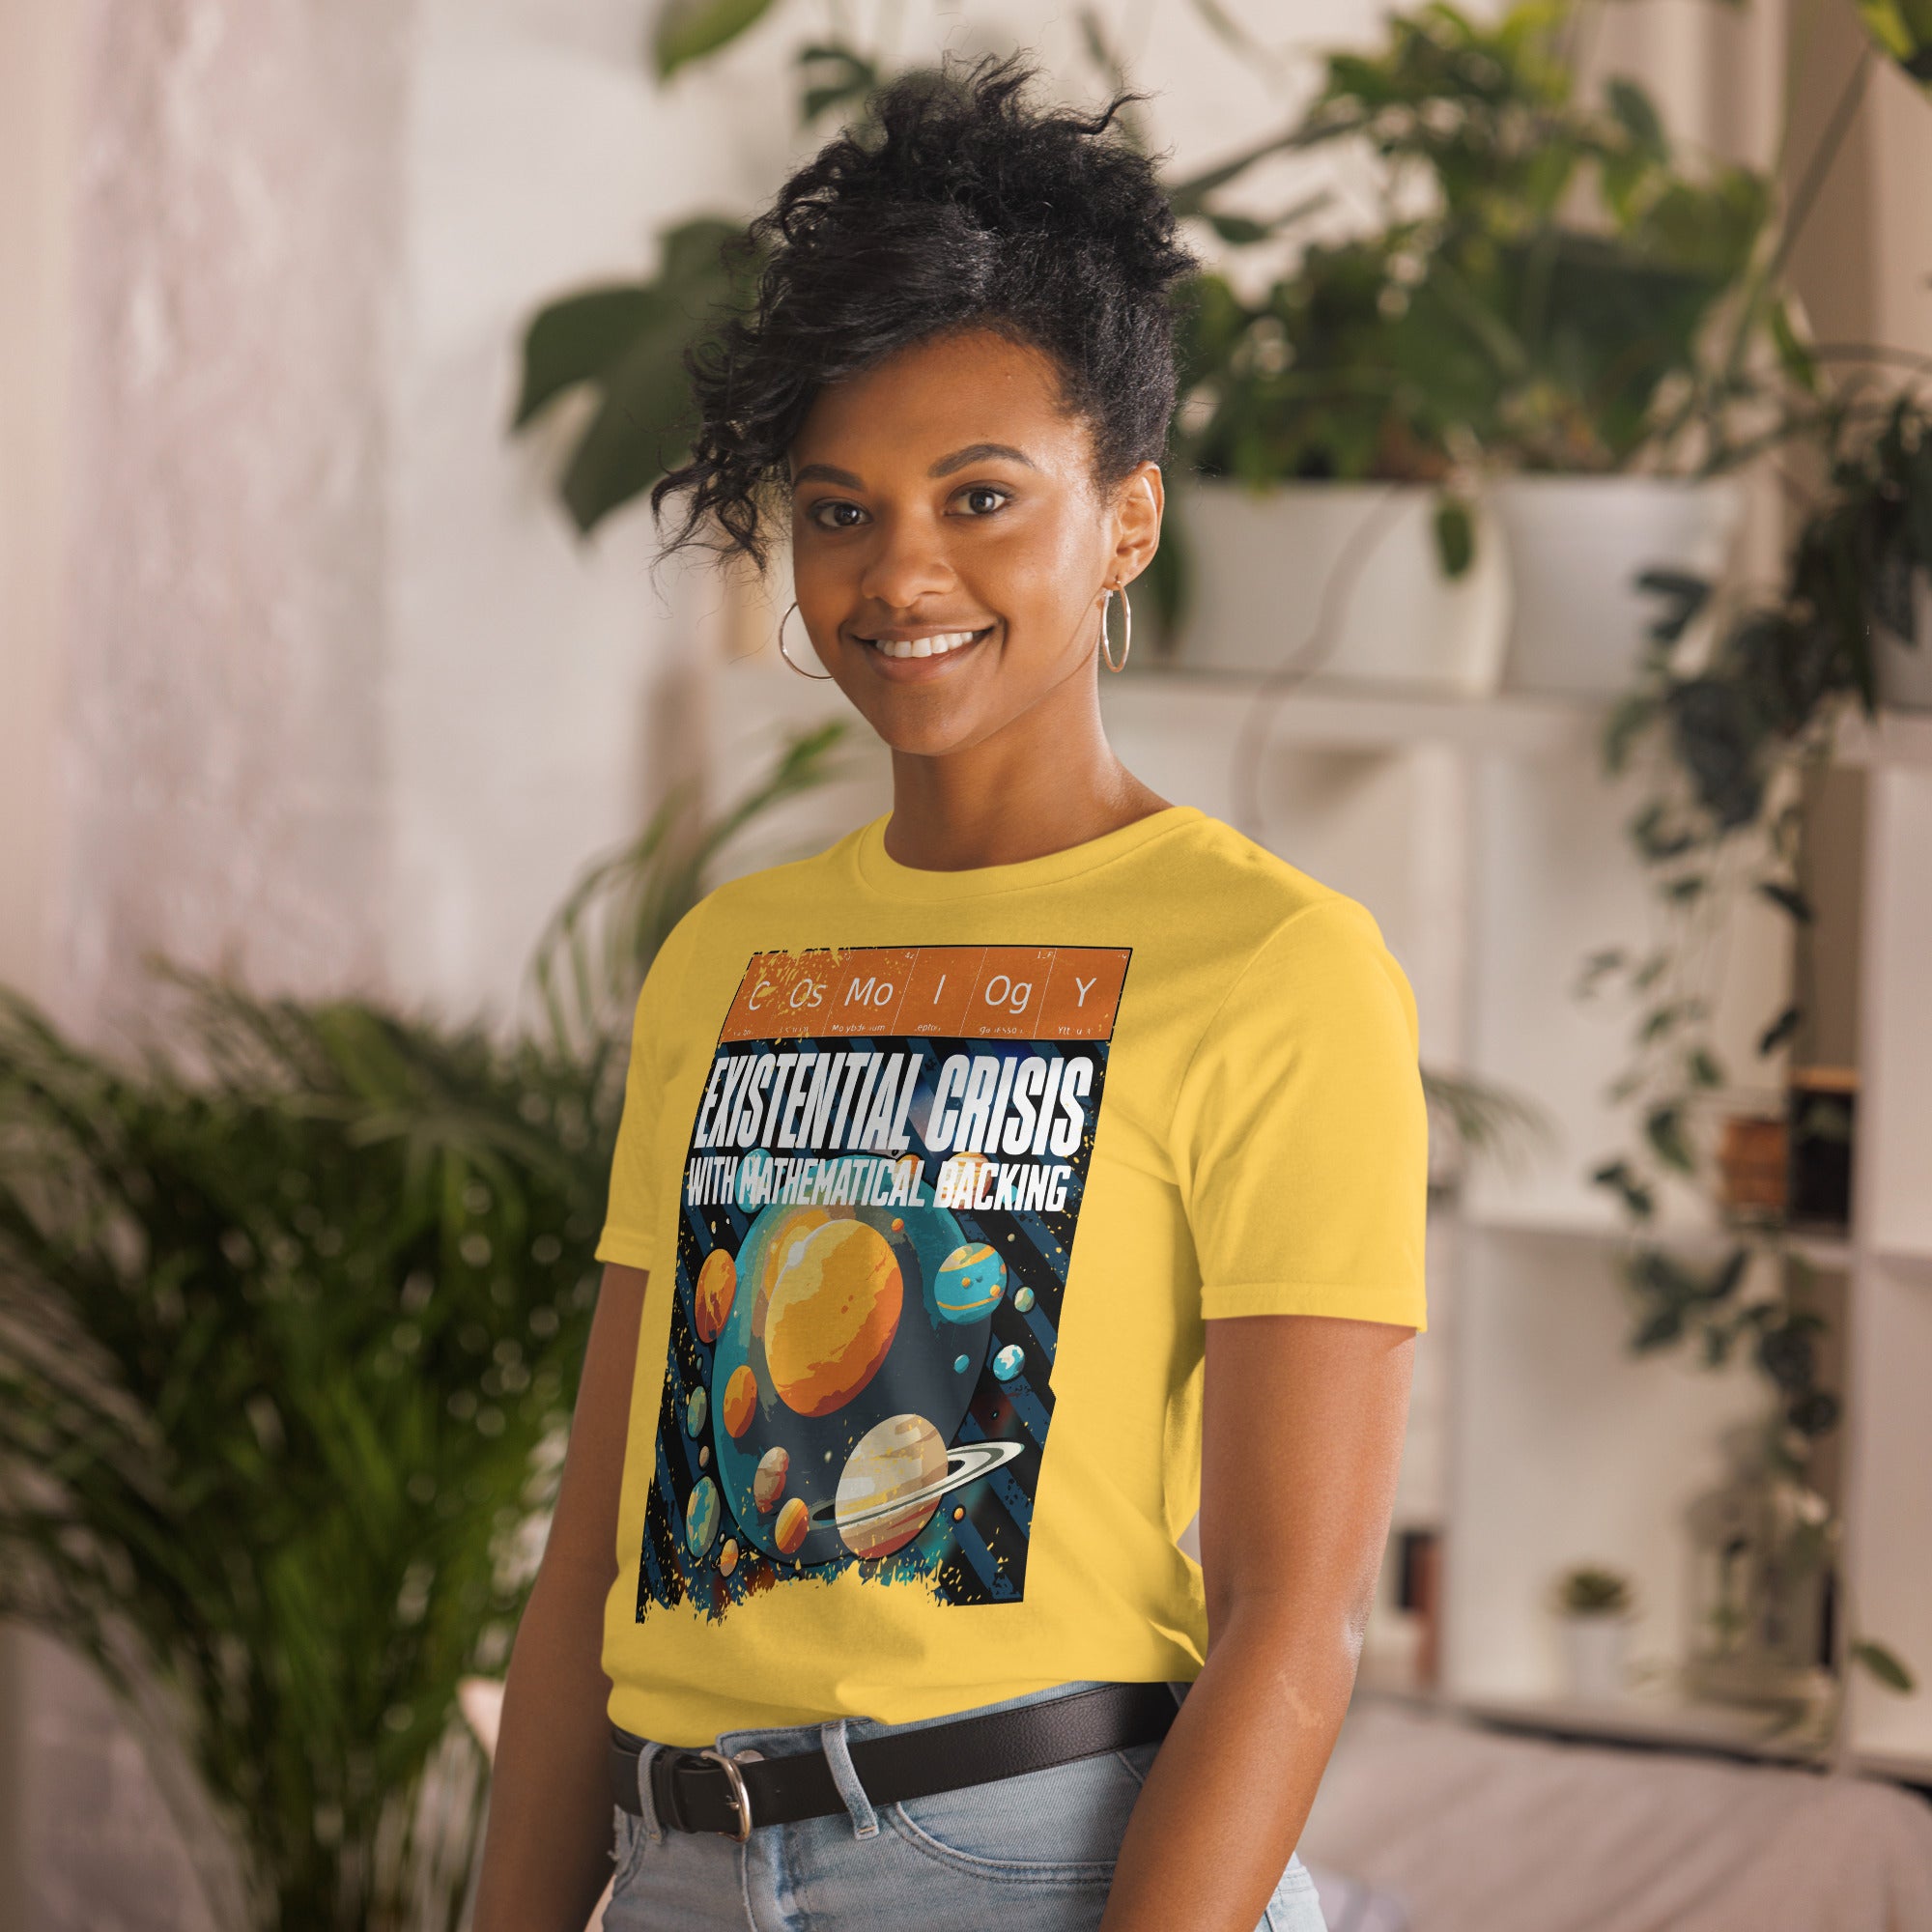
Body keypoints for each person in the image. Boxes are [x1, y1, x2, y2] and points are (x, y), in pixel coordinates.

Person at [471, 52, 1424, 1932]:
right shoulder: (729, 959)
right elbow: (594, 1553)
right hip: (678, 1864)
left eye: (981, 496)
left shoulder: (1273, 964)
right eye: (840, 511)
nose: (900, 573)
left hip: (1032, 1861)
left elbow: (1291, 1618)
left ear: (1126, 518)